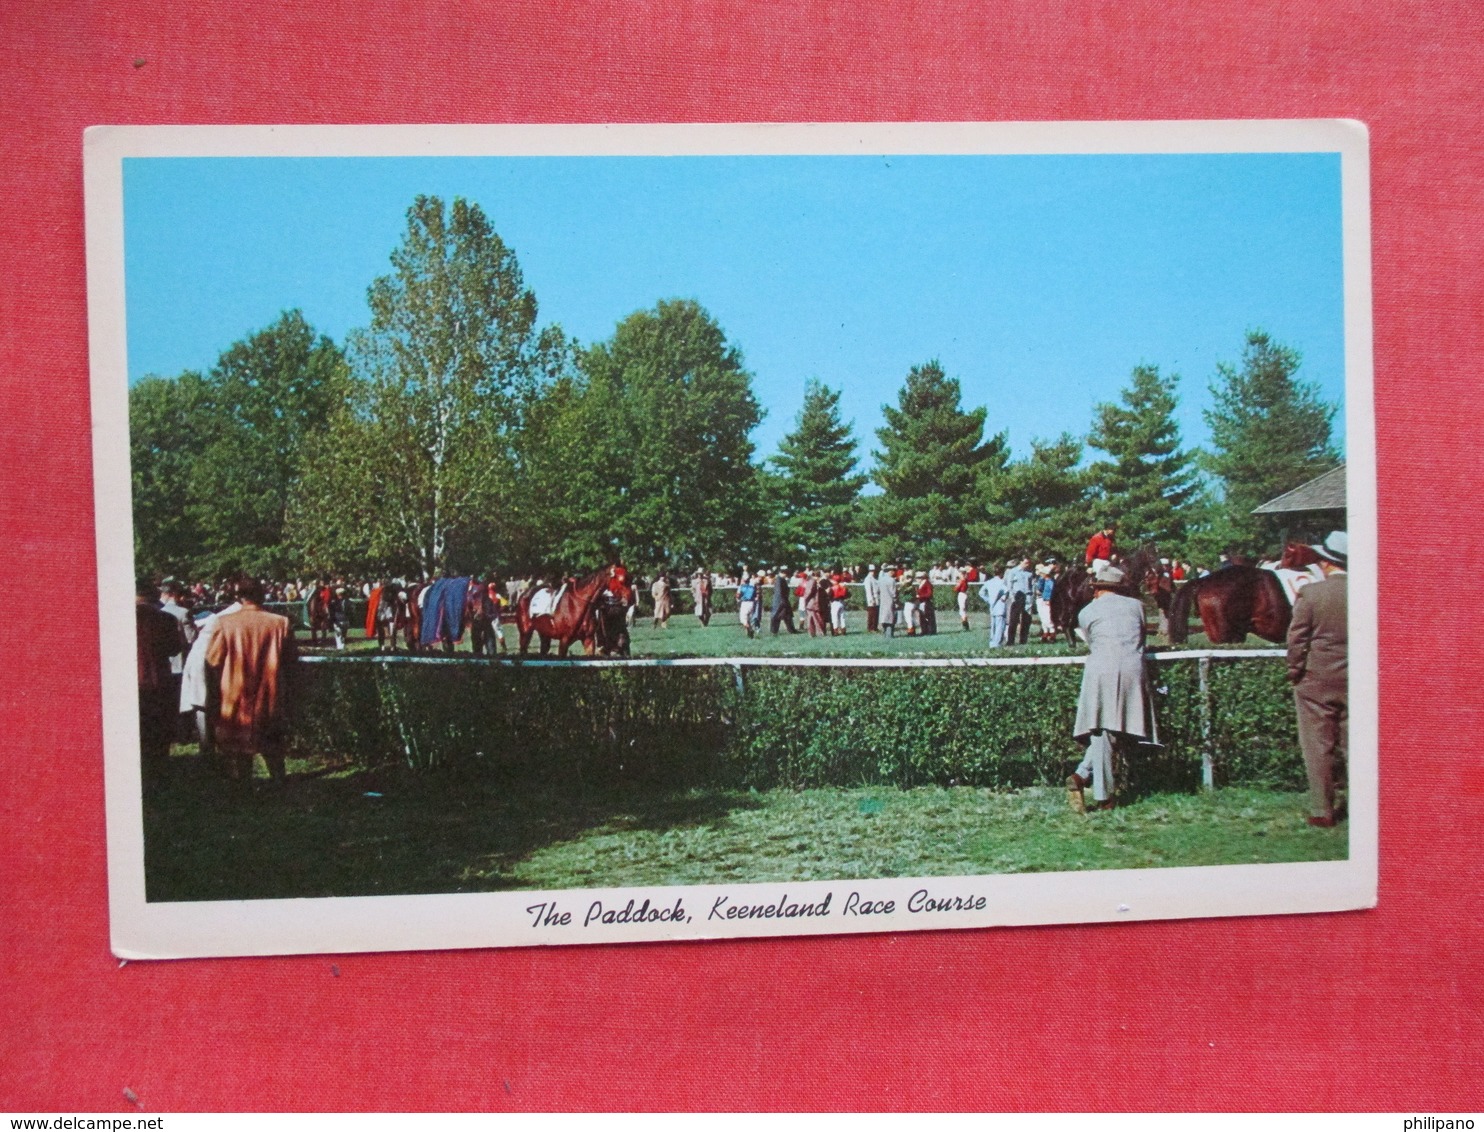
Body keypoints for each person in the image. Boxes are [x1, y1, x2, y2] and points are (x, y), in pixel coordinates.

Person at [1067, 564, 1158, 813]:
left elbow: (1092, 640)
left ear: (1097, 589)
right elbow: (1142, 638)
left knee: (1102, 729)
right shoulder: (1137, 606)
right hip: (1132, 668)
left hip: (1099, 671)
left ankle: (1093, 785)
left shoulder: (1087, 612)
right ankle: (1086, 779)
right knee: (1113, 730)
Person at [205, 576, 295, 788]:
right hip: (270, 694)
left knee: (238, 749)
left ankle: (244, 787)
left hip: (235, 694)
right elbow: (291, 662)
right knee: (273, 747)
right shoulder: (281, 623)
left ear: (239, 597)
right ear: (262, 595)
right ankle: (279, 784)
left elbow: (213, 662)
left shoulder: (224, 623)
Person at [1286, 531, 1349, 827]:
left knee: (1317, 745)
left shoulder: (1311, 594)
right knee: (1356, 746)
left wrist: (1294, 671)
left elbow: (1297, 640)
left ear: (1325, 562)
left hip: (1317, 679)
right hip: (1356, 679)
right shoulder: (1369, 590)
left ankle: (1323, 808)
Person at [136, 581, 185, 787]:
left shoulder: (116, 618)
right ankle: (158, 779)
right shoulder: (165, 619)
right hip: (159, 682)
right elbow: (174, 649)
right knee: (158, 737)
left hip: (131, 684)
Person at [1005, 557, 1035, 645]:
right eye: (1026, 563)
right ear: (1021, 562)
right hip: (1017, 597)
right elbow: (1009, 585)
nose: (1027, 565)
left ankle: (1023, 640)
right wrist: (1012, 597)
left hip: (1028, 597)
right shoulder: (1013, 572)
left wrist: (1032, 597)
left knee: (1027, 619)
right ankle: (1011, 640)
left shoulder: (1029, 573)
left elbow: (1032, 585)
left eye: (1029, 563)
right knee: (1014, 619)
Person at [978, 565, 1008, 648]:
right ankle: (997, 643)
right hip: (1000, 606)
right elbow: (1007, 591)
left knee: (993, 626)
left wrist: (988, 600)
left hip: (992, 607)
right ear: (1002, 573)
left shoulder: (989, 582)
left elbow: (981, 593)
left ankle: (992, 642)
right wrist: (1004, 598)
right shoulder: (1002, 582)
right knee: (1000, 626)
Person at [956, 559, 980, 631]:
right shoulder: (963, 580)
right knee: (962, 610)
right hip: (963, 594)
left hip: (962, 594)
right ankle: (965, 624)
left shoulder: (963, 581)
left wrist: (958, 583)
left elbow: (956, 589)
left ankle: (965, 625)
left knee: (962, 610)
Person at [877, 563, 899, 638]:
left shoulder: (881, 580)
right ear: (891, 571)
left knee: (884, 618)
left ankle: (885, 633)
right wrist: (896, 601)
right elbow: (894, 593)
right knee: (890, 618)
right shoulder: (892, 580)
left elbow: (878, 591)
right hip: (890, 601)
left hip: (883, 601)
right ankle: (889, 634)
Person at [737, 572, 758, 638]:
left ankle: (749, 629)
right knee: (749, 618)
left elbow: (738, 595)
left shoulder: (741, 587)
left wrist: (738, 599)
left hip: (745, 603)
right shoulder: (752, 587)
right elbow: (755, 595)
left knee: (743, 619)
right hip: (752, 603)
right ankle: (748, 633)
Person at [863, 564, 881, 633]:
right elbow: (868, 591)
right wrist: (871, 599)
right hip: (872, 599)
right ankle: (870, 628)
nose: (873, 572)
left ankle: (875, 627)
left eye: (873, 570)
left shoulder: (874, 579)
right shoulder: (868, 579)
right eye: (871, 571)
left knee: (876, 614)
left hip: (876, 598)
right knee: (871, 614)